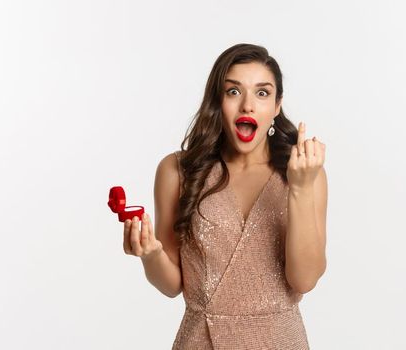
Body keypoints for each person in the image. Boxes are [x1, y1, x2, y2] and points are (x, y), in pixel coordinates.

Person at [120, 43, 328, 349]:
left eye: (262, 93)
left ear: (277, 105)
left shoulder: (305, 173)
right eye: (233, 91)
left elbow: (305, 280)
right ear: (218, 100)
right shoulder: (177, 171)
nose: (247, 106)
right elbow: (172, 285)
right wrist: (150, 254)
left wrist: (300, 187)